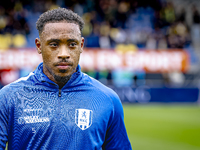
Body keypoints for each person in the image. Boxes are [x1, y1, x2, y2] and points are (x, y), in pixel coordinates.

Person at [0, 8, 132, 150]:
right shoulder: (9, 97)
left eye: (72, 44)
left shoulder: (108, 99)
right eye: (54, 44)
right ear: (39, 46)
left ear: (81, 45)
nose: (64, 54)